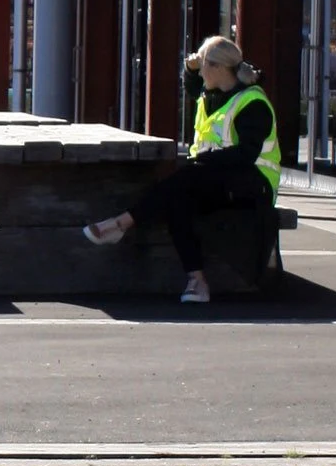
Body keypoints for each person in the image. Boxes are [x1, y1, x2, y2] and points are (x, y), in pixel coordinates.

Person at [82, 36, 281, 303]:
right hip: (218, 178)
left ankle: (120, 224)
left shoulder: (252, 104)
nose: (200, 72)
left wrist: (205, 160)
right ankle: (197, 281)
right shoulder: (212, 94)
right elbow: (192, 86)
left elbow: (246, 154)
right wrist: (190, 68)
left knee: (185, 178)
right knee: (177, 199)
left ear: (219, 68)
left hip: (253, 184)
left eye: (203, 66)